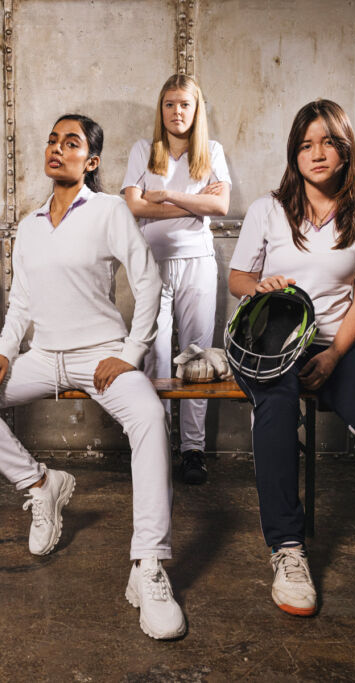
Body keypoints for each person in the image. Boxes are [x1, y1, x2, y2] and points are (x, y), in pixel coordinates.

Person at [0, 114, 186, 640]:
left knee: (148, 415)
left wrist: (131, 352)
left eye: (71, 142)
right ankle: (41, 483)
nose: (57, 148)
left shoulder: (109, 211)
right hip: (43, 355)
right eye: (52, 140)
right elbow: (23, 301)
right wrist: (3, 352)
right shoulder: (30, 225)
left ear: (91, 161)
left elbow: (148, 283)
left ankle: (147, 565)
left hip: (99, 355)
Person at [227, 99, 355, 617]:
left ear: (346, 148)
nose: (317, 153)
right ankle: (286, 548)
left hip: (336, 340)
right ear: (294, 154)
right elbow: (237, 278)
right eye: (306, 144)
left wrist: (332, 356)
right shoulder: (268, 209)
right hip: (270, 343)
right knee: (277, 416)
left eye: (328, 141)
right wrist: (258, 284)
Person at [121, 74, 231, 485]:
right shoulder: (143, 151)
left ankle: (192, 451)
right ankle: (156, 446)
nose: (177, 111)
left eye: (184, 104)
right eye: (169, 104)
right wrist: (192, 206)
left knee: (197, 357)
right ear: (161, 109)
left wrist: (165, 196)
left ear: (195, 108)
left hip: (198, 263)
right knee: (156, 355)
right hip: (153, 264)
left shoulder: (212, 151)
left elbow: (219, 204)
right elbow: (133, 206)